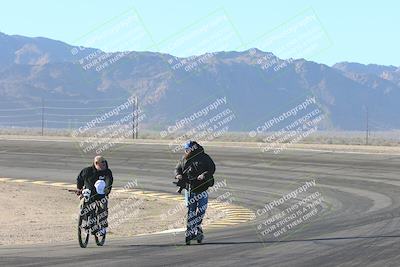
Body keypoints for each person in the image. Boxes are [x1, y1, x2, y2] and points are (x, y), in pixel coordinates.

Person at [174, 141, 216, 244]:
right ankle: (190, 231)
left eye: (187, 149)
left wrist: (204, 175)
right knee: (191, 212)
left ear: (192, 149)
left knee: (201, 211)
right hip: (189, 189)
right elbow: (177, 169)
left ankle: (197, 228)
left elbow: (212, 168)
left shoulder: (204, 157)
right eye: (185, 150)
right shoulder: (184, 159)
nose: (185, 151)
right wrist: (178, 175)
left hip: (202, 189)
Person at [77, 155, 113, 235]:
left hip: (101, 195)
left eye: (105, 163)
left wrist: (107, 191)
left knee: (103, 207)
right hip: (89, 193)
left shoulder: (107, 172)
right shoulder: (87, 171)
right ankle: (85, 222)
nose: (104, 165)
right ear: (96, 163)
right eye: (102, 163)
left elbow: (109, 182)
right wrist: (79, 189)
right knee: (82, 205)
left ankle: (103, 227)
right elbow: (79, 179)